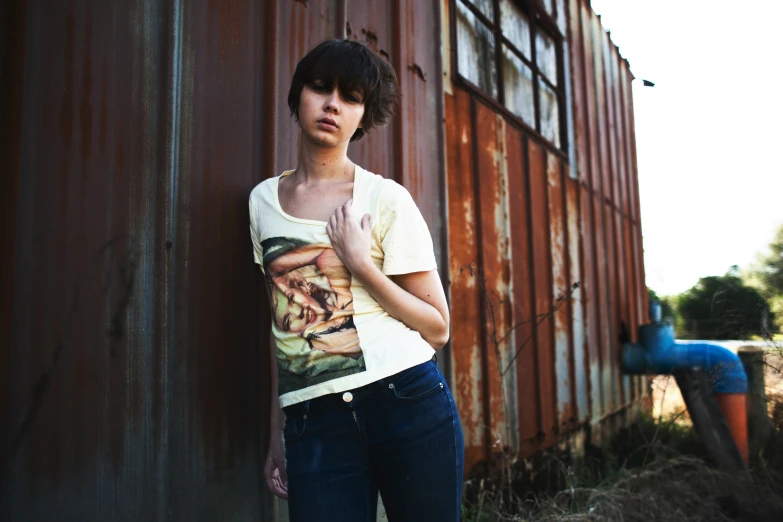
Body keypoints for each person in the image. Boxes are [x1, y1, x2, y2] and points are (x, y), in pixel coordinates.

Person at [249, 38, 464, 522]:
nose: (332, 105)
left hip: (406, 403)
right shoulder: (262, 203)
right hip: (315, 422)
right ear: (298, 96)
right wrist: (277, 430)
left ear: (363, 116)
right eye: (320, 88)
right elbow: (281, 325)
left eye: (350, 97)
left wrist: (361, 265)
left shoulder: (385, 200)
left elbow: (437, 327)